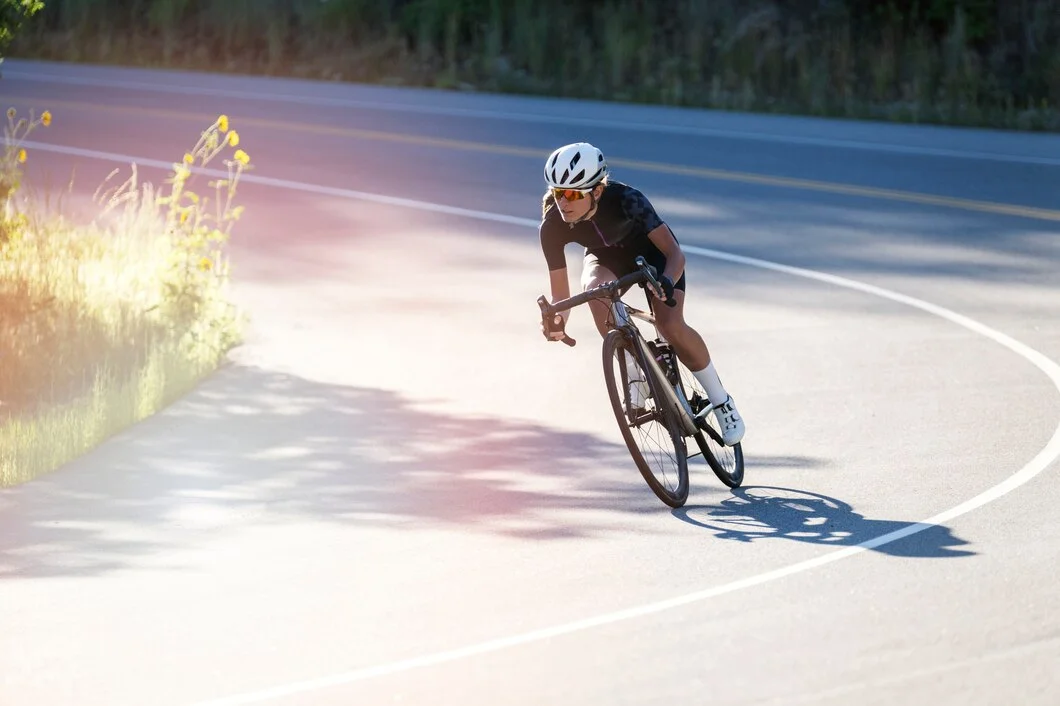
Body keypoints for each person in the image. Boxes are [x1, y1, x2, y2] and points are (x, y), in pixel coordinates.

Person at [538, 142, 745, 446]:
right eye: (558, 193)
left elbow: (675, 253)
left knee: (669, 325)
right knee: (594, 290)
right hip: (606, 258)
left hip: (654, 255)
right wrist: (556, 320)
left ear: (596, 191)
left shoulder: (628, 200)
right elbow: (562, 297)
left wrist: (666, 281)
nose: (563, 203)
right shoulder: (552, 225)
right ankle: (635, 366)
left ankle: (721, 400)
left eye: (572, 194)